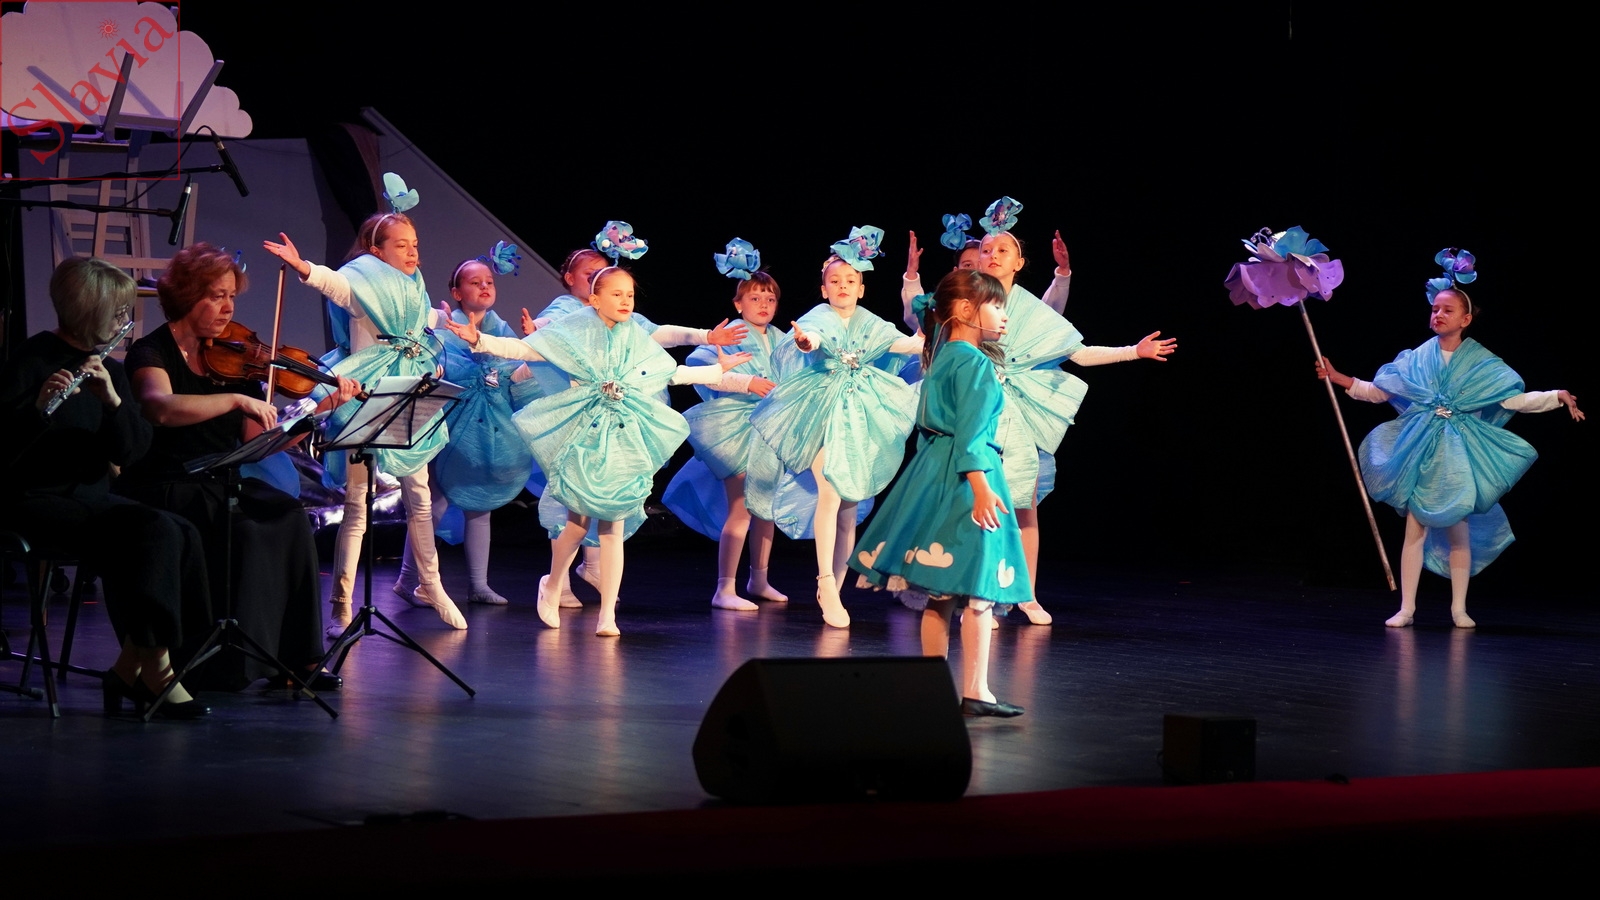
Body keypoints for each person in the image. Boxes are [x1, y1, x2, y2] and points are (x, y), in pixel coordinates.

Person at [443, 267, 755, 636]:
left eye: (630, 295)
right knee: (576, 526)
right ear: (594, 299)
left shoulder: (633, 336)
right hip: (584, 439)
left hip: (621, 439)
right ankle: (552, 583)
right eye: (616, 294)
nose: (625, 301)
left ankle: (607, 615)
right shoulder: (574, 330)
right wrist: (480, 340)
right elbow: (528, 350)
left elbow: (668, 374)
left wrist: (717, 370)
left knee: (613, 525)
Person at [118, 244, 358, 692]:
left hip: (218, 479)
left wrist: (322, 407)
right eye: (217, 296)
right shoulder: (152, 352)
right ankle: (230, 662)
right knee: (244, 530)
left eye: (232, 296)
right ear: (187, 296)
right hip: (167, 483)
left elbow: (258, 442)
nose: (228, 307)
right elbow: (159, 407)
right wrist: (232, 400)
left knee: (289, 516)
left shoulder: (234, 358)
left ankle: (297, 659)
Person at [1315, 257, 1582, 628]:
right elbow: (1379, 391)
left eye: (1447, 310)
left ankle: (1459, 608)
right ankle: (1407, 608)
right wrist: (1338, 377)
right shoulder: (1417, 359)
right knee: (1415, 528)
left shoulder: (1481, 364)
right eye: (1435, 309)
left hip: (1457, 454)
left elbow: (1512, 400)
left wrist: (1555, 396)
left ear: (1465, 319)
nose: (1438, 315)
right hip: (1420, 450)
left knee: (1458, 528)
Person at [1, 258, 212, 718]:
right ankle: (157, 671)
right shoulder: (29, 361)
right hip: (33, 501)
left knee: (183, 532)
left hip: (89, 500)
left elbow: (133, 452)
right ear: (88, 311)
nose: (124, 321)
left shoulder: (106, 370)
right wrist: (37, 410)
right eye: (117, 312)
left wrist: (115, 404)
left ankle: (131, 666)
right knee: (151, 531)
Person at [514, 237, 749, 610]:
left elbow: (663, 346)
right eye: (591, 274)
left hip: (620, 418)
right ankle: (558, 581)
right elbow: (538, 343)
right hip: (580, 419)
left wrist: (707, 342)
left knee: (611, 505)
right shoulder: (568, 315)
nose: (600, 278)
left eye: (606, 273)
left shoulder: (624, 321)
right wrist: (505, 339)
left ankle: (598, 587)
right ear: (574, 280)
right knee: (572, 506)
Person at [263, 211, 468, 632]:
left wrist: (446, 320)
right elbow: (335, 285)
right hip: (364, 392)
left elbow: (424, 320)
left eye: (415, 244)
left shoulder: (413, 287)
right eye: (401, 245)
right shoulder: (362, 281)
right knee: (357, 505)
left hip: (406, 389)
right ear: (375, 249)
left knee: (420, 497)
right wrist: (303, 267)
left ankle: (431, 583)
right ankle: (341, 604)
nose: (412, 252)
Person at [851, 270, 1029, 716]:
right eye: (996, 305)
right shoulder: (974, 363)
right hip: (967, 478)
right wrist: (981, 488)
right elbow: (971, 433)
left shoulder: (943, 355)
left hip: (932, 475)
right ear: (966, 309)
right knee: (978, 588)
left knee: (940, 592)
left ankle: (933, 690)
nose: (1004, 315)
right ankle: (977, 691)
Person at [749, 229, 924, 628]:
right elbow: (811, 338)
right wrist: (806, 342)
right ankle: (825, 582)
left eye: (850, 281)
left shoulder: (871, 323)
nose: (842, 286)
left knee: (848, 505)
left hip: (859, 411)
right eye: (835, 281)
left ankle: (837, 587)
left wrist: (930, 330)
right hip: (819, 409)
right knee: (829, 489)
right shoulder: (817, 318)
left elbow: (907, 345)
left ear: (861, 288)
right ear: (824, 288)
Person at [396, 252, 540, 607]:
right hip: (450, 423)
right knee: (433, 503)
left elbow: (512, 372)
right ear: (457, 292)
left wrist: (532, 353)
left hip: (490, 425)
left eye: (489, 282)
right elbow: (441, 368)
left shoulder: (501, 329)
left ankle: (479, 584)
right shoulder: (445, 327)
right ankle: (407, 579)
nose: (484, 287)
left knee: (481, 502)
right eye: (475, 283)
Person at [661, 243, 785, 610]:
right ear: (738, 303)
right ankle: (725, 588)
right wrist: (747, 382)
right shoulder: (732, 332)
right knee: (743, 506)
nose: (763, 304)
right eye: (755, 298)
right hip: (735, 427)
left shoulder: (780, 338)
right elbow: (705, 371)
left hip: (771, 429)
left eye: (770, 299)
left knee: (766, 507)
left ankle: (759, 579)